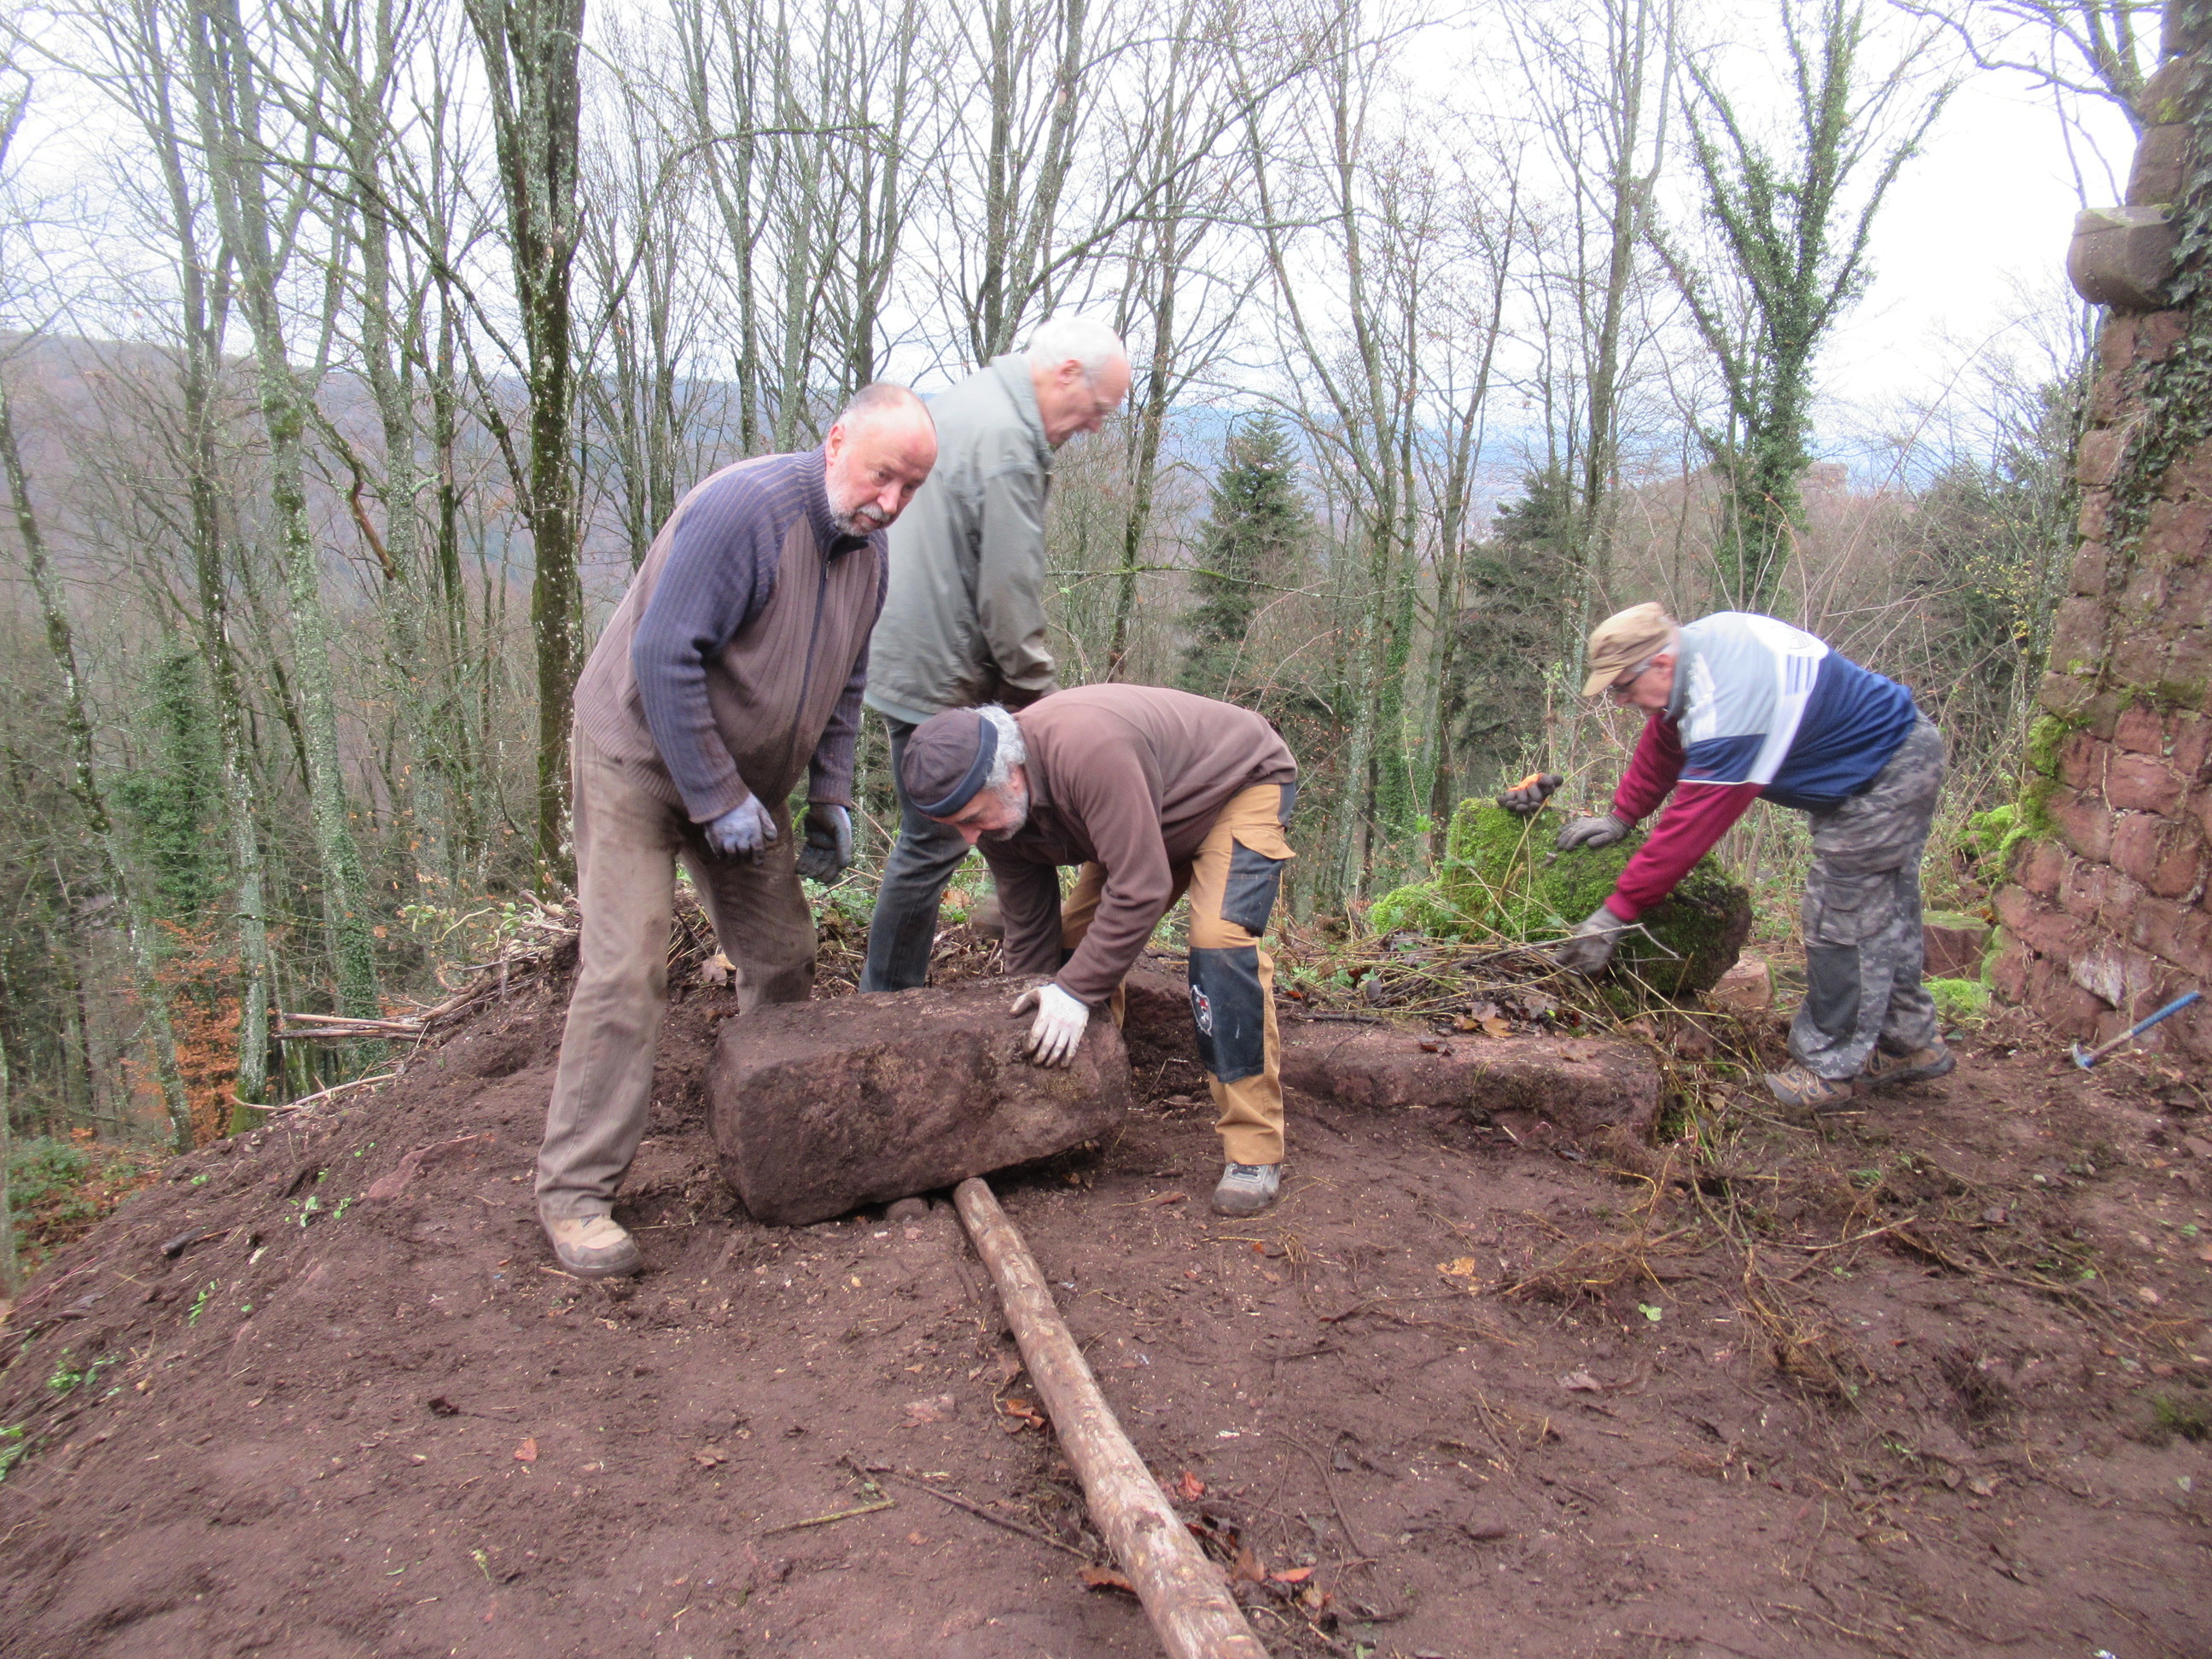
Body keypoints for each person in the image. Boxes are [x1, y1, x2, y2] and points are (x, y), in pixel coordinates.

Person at [537, 386, 938, 1277]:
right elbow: (661, 655)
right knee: (626, 969)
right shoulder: (746, 512)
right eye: (882, 476)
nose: (891, 503)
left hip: (745, 785)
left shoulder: (867, 554)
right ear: (836, 441)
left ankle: (776, 1142)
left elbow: (848, 679)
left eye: (911, 488)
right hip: (638, 762)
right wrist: (715, 797)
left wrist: (829, 794)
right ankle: (575, 1194)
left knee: (783, 954)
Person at [894, 686, 1299, 1216]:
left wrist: (1075, 992)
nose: (970, 839)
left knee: (1220, 947)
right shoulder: (994, 809)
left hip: (1237, 787)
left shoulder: (1090, 753)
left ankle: (1254, 1151)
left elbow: (1141, 887)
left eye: (973, 818)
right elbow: (1030, 927)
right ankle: (1086, 1110)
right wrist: (1030, 1011)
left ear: (1012, 775)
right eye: (957, 828)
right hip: (1146, 820)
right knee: (1072, 953)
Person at [1552, 602, 1949, 1110]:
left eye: (1622, 687)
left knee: (1841, 919)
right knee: (1885, 909)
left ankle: (1828, 1069)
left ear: (1661, 663)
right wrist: (1623, 814)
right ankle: (1909, 1042)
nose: (1622, 701)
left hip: (1885, 772)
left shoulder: (1732, 706)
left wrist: (1617, 911)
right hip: (1886, 755)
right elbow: (1668, 736)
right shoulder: (1701, 649)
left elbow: (1691, 827)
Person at [858, 316, 1132, 992]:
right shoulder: (1010, 443)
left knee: (955, 823)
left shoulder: (970, 400)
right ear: (1065, 373)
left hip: (907, 651)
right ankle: (885, 1001)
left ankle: (1003, 922)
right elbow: (1009, 589)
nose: (1096, 426)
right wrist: (1038, 697)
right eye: (1097, 408)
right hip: (940, 669)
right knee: (935, 837)